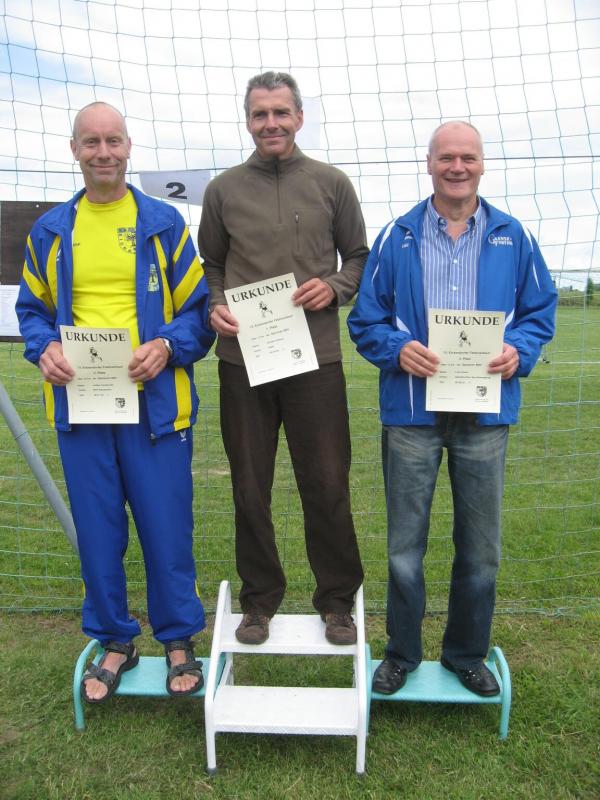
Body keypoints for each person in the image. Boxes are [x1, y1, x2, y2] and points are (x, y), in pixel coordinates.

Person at [348, 121, 557, 695]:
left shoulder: (515, 235)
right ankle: (401, 654)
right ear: (430, 163)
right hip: (411, 416)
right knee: (404, 549)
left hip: (485, 418)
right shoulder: (398, 235)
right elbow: (364, 319)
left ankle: (466, 654)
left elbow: (540, 311)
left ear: (482, 164)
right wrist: (397, 349)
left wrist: (521, 351)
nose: (457, 167)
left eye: (467, 157)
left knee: (482, 550)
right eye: (446, 157)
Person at [16, 102, 215, 702]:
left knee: (165, 526)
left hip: (155, 405)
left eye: (113, 141)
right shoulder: (51, 230)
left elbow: (198, 312)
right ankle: (114, 639)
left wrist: (166, 345)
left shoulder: (162, 223)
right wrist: (45, 348)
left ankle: (177, 639)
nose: (103, 152)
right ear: (74, 150)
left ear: (129, 147)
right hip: (82, 405)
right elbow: (32, 311)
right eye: (91, 142)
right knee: (99, 529)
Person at [197, 71, 366, 645]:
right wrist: (216, 304)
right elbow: (212, 265)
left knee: (327, 483)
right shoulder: (223, 190)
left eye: (280, 112)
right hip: (242, 360)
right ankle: (259, 602)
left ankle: (337, 602)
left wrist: (334, 287)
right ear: (248, 120)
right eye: (260, 114)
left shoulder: (331, 183)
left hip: (315, 359)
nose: (271, 123)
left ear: (299, 117)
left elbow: (358, 257)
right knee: (250, 486)